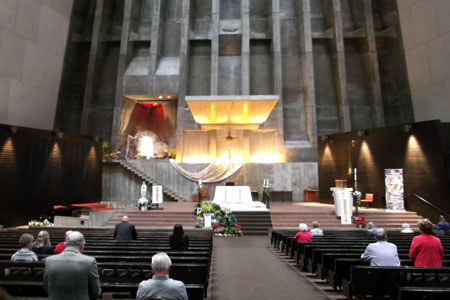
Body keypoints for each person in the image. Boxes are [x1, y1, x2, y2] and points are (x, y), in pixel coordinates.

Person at [44, 231, 101, 300]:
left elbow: (47, 287)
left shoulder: (49, 260)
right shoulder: (89, 261)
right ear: (82, 245)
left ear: (66, 244)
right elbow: (96, 292)